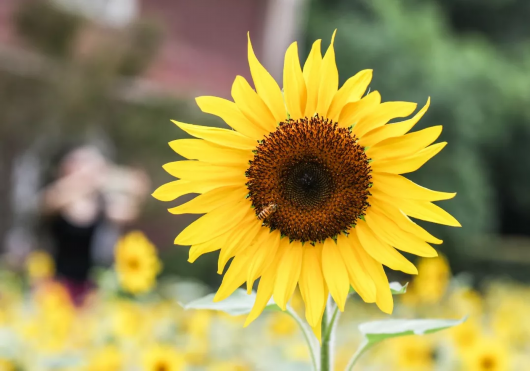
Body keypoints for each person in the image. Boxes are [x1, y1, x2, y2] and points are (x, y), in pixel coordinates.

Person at [39, 145, 149, 304]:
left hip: (89, 286)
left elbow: (129, 214)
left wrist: (138, 190)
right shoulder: (59, 199)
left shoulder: (100, 203)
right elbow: (46, 203)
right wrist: (86, 181)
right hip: (55, 283)